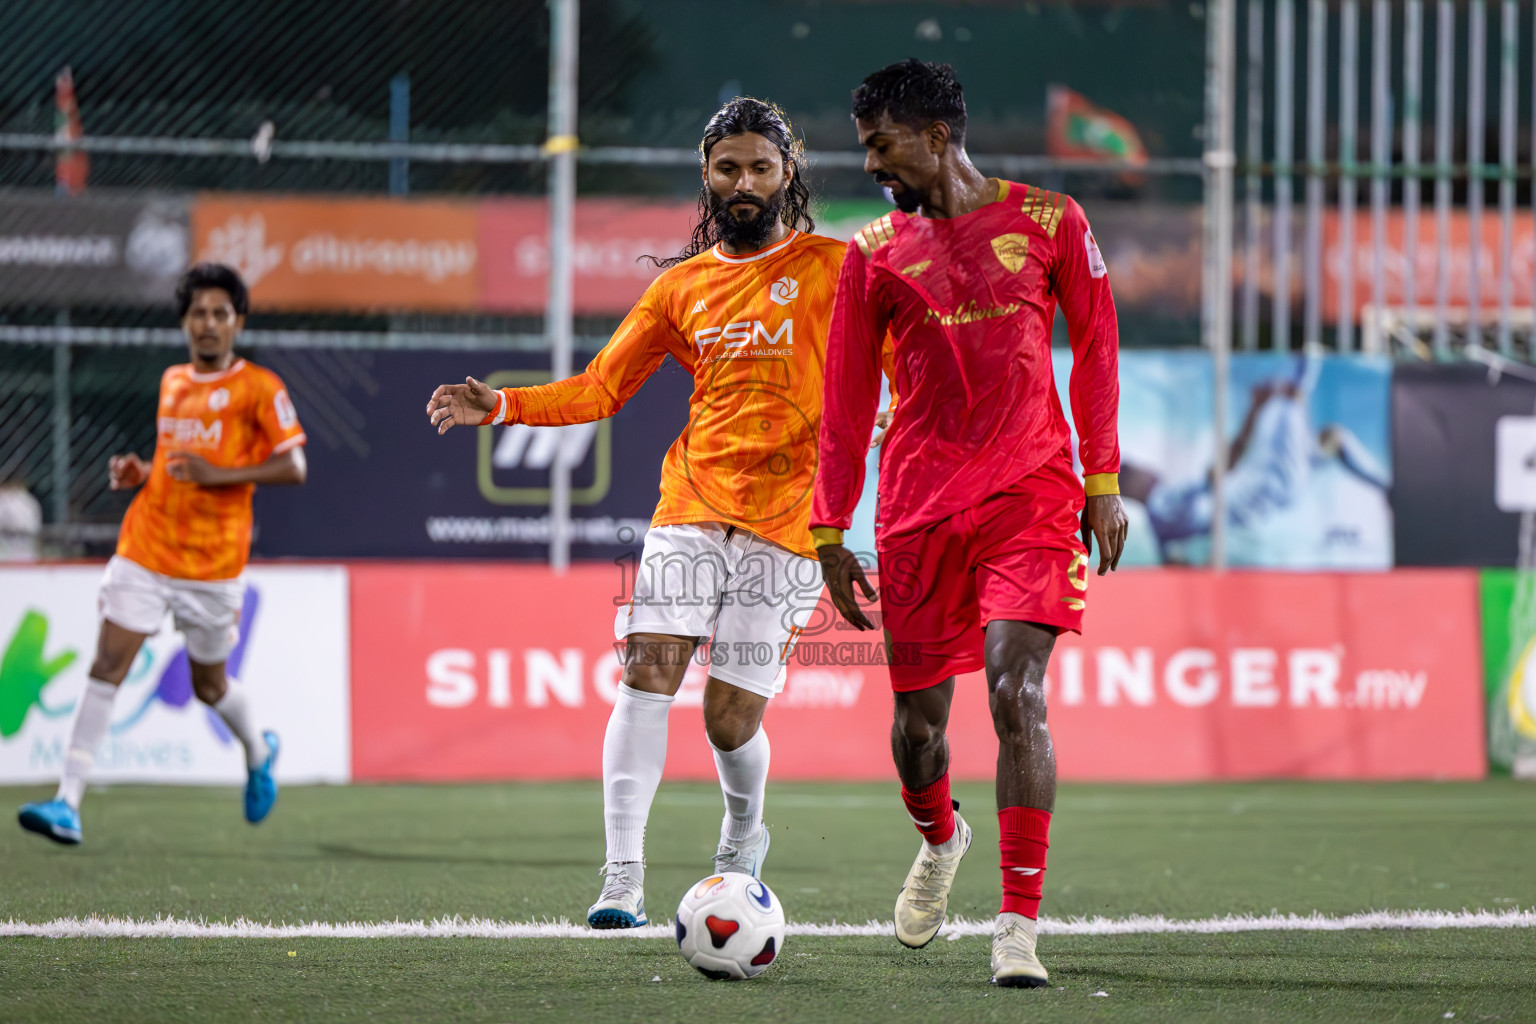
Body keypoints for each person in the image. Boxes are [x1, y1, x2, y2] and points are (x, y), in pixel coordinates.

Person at [426, 98, 845, 930]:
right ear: (706, 174)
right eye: (729, 167)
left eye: (762, 166)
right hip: (690, 505)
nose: (745, 182)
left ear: (788, 171)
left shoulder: (839, 269)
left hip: (791, 524)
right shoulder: (679, 287)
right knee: (647, 672)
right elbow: (600, 387)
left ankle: (742, 831)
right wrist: (503, 405)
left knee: (729, 721)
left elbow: (899, 365)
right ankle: (623, 877)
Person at [811, 60, 1128, 987]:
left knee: (1014, 689)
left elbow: (1098, 349)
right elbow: (844, 403)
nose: (872, 162)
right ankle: (941, 837)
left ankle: (1017, 925)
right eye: (866, 145)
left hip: (1032, 491)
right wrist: (831, 531)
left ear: (937, 136)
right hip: (916, 506)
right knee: (919, 729)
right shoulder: (872, 251)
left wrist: (1099, 480)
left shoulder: (1051, 220)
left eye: (882, 144)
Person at [18, 263, 306, 845]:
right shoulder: (173, 381)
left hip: (214, 568)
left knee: (210, 687)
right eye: (198, 313)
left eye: (220, 313)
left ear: (238, 322)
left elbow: (295, 466)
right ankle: (67, 801)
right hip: (147, 549)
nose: (208, 323)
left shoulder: (261, 388)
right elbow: (177, 464)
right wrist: (143, 473)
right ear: (184, 322)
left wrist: (220, 473)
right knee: (107, 665)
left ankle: (257, 750)